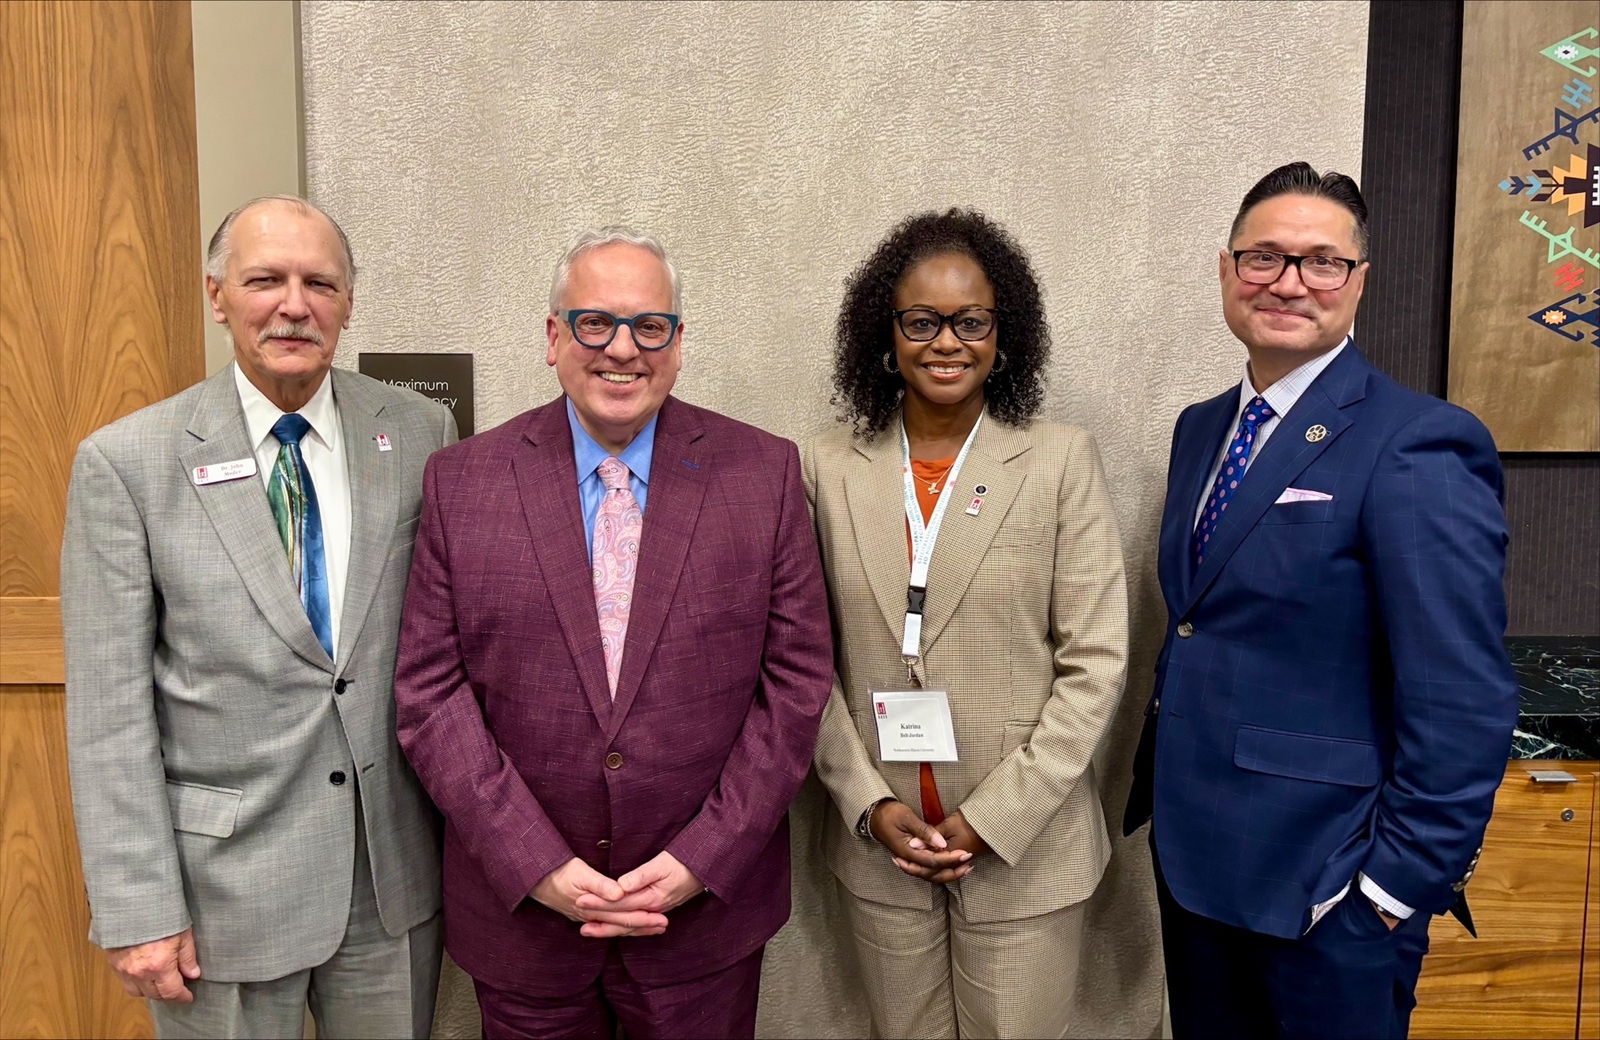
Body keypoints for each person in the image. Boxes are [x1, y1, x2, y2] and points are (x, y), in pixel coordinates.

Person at [392, 227, 833, 1040]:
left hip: (700, 927)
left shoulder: (763, 473)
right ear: (553, 336)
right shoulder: (463, 481)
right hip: (526, 926)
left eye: (649, 326)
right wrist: (536, 864)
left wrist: (702, 858)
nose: (622, 349)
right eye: (595, 322)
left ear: (678, 343)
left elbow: (796, 685)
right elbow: (429, 695)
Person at [1123, 162, 1519, 1039]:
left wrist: (1390, 890)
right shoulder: (1201, 429)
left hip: (1328, 889)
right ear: (1227, 270)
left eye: (1321, 262)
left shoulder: (1417, 441)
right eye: (1263, 257)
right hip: (1197, 866)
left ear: (1358, 282)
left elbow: (1463, 699)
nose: (1289, 282)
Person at [61, 195, 456, 1038]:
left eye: (320, 283)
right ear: (217, 296)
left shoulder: (422, 432)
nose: (294, 305)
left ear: (348, 302)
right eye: (265, 280)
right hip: (221, 895)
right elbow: (107, 713)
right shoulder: (127, 464)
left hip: (389, 880)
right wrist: (137, 907)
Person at [802, 208, 1129, 1038]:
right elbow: (801, 660)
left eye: (970, 321)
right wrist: (867, 804)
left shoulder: (1060, 460)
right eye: (921, 321)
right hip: (882, 847)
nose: (946, 342)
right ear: (886, 335)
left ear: (1001, 333)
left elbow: (1096, 664)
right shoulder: (824, 467)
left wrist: (995, 818)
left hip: (1026, 850)